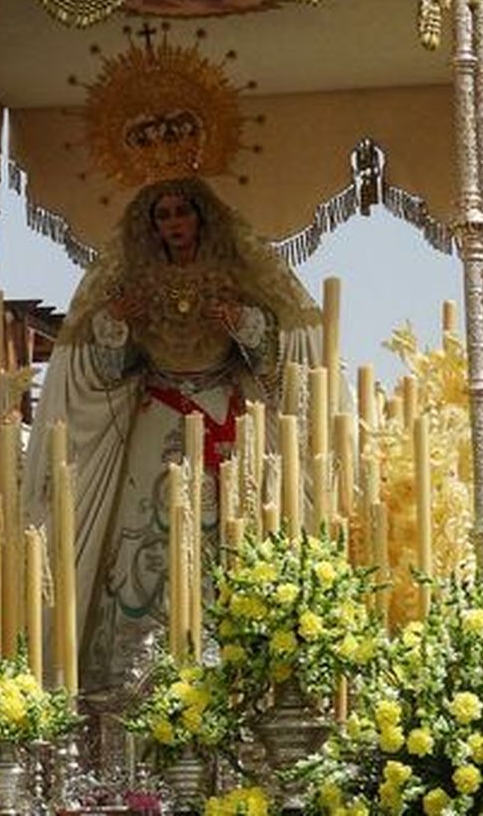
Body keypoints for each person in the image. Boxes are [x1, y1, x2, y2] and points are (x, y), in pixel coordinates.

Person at [23, 175, 320, 694]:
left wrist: (243, 322)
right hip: (157, 418)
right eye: (163, 216)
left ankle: (228, 645)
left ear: (201, 218)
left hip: (222, 418)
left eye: (183, 212)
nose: (174, 224)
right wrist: (114, 326)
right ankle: (133, 661)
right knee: (144, 525)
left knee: (224, 524)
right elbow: (112, 371)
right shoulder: (132, 287)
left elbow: (271, 363)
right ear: (151, 227)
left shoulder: (236, 278)